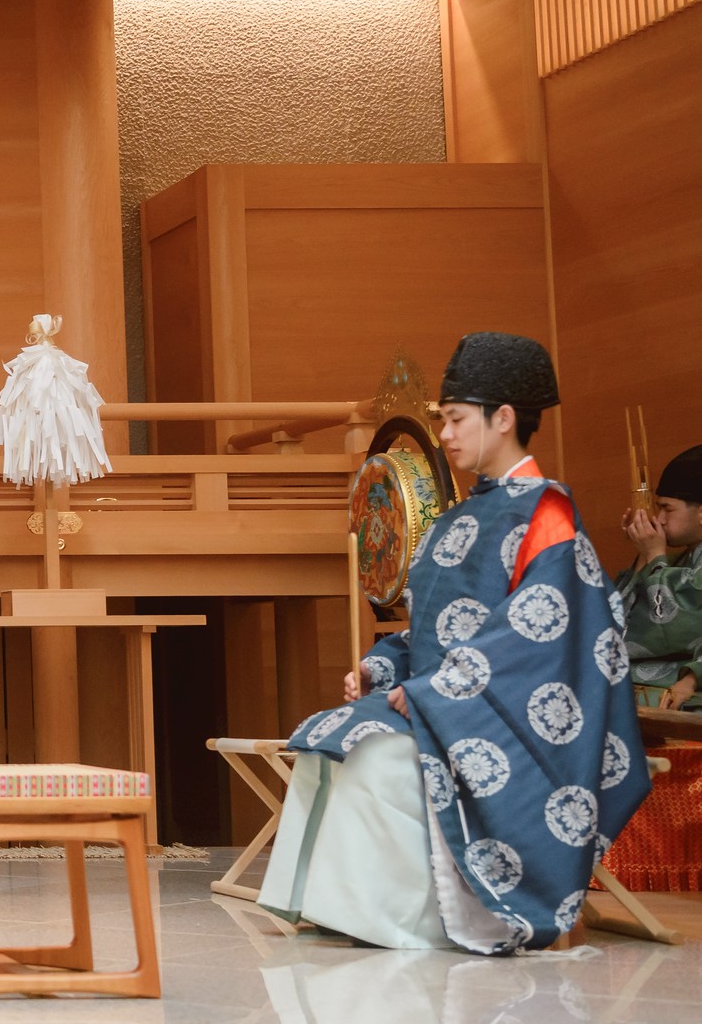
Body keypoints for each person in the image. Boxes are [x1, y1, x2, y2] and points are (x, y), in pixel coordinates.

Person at [258, 332, 648, 952]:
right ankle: (348, 913)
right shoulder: (459, 516)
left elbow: (545, 636)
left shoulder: (546, 514)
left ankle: (413, 923)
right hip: (445, 701)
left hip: (510, 718)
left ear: (504, 418)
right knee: (332, 736)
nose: (445, 434)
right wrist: (382, 668)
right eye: (443, 420)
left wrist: (438, 690)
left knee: (378, 759)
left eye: (457, 420)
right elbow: (434, 629)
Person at [620, 444, 702, 710]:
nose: (660, 519)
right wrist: (646, 556)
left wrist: (655, 556)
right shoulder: (684, 559)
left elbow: (675, 622)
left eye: (668, 509)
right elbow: (618, 624)